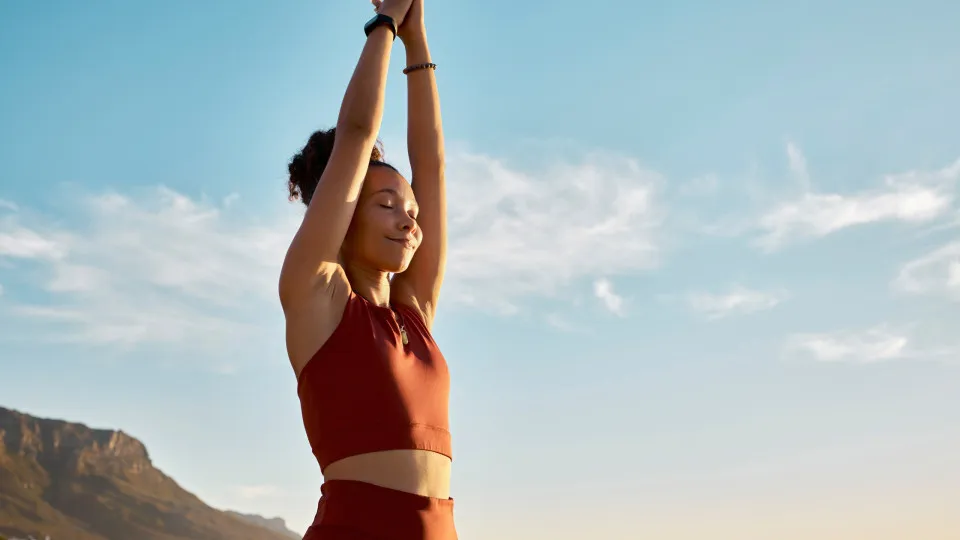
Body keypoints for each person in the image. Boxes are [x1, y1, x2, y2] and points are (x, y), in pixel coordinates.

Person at [279, 0, 454, 538]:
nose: (408, 221)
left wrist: (418, 40)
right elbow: (356, 134)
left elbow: (432, 165)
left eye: (412, 212)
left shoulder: (415, 312)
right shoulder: (317, 295)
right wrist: (385, 25)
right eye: (385, 205)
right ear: (344, 210)